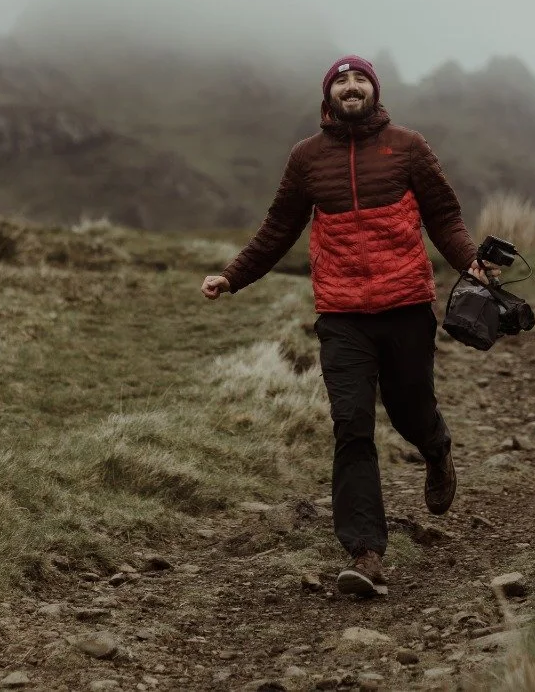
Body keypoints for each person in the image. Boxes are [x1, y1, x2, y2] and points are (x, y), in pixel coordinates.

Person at [201, 54, 495, 597]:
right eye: (342, 80)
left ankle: (436, 449)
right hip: (341, 316)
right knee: (352, 425)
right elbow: (277, 228)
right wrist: (231, 277)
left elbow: (445, 217)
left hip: (406, 306)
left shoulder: (408, 147)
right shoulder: (307, 159)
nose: (352, 86)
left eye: (360, 79)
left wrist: (471, 263)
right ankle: (366, 552)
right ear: (329, 95)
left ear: (374, 92)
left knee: (410, 409)